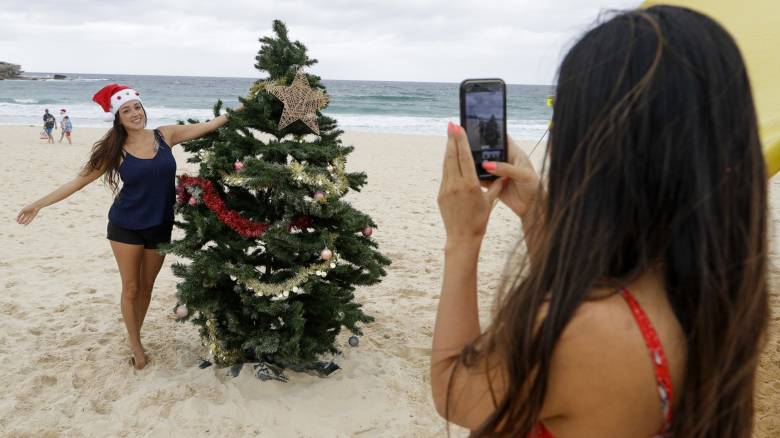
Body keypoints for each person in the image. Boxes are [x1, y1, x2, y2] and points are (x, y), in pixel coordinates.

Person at [431, 6, 767, 437]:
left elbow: (453, 391)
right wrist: (537, 213)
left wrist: (463, 239)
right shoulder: (717, 289)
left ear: (594, 145)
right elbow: (592, 286)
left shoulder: (582, 331)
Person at [17, 83, 236, 370]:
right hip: (125, 225)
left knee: (147, 287)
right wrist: (38, 204)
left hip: (160, 225)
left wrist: (252, 101)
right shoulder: (115, 150)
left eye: (137, 107)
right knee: (131, 287)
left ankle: (135, 333)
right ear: (117, 117)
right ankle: (135, 344)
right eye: (126, 110)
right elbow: (77, 182)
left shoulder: (165, 135)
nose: (135, 113)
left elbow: (212, 124)